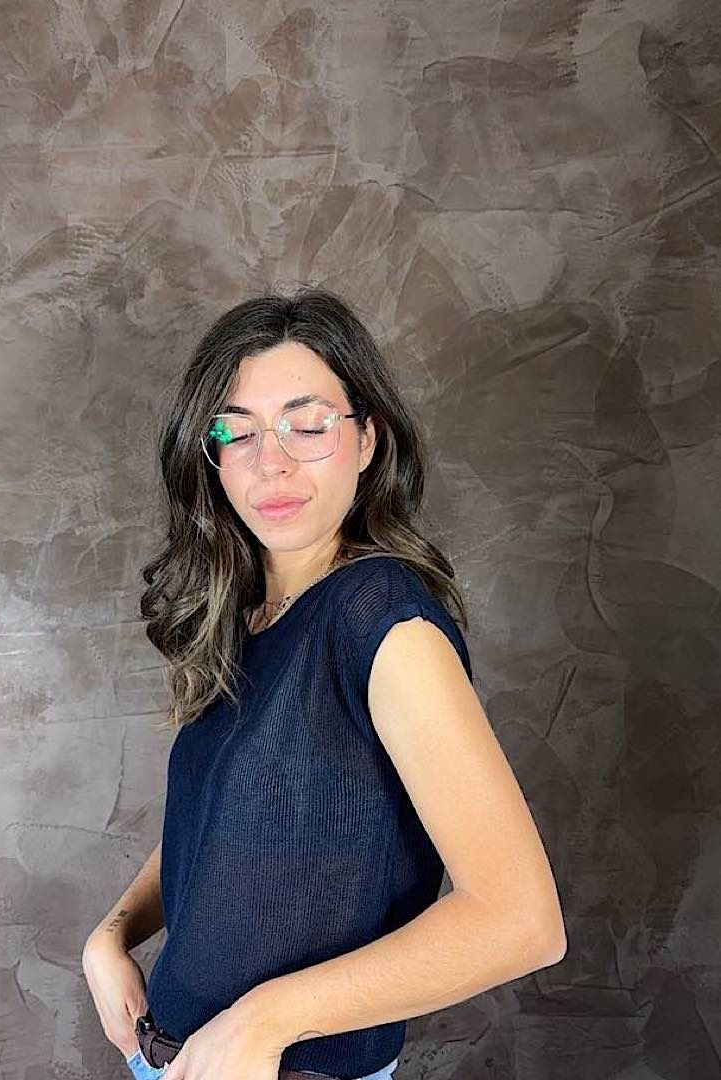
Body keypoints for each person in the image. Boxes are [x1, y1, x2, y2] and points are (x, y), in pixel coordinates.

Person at [82, 285, 567, 1080]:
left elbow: (522, 922)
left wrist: (264, 1022)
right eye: (237, 432)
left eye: (307, 427)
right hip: (168, 1057)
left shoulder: (381, 619)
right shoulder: (250, 616)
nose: (269, 461)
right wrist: (112, 934)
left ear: (368, 439)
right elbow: (220, 824)